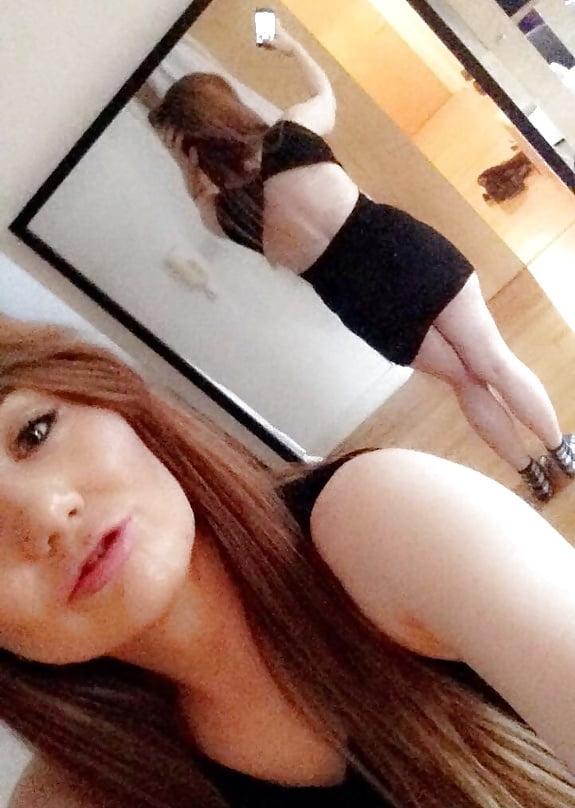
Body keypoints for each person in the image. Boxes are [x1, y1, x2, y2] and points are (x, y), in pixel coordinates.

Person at [4, 316, 575, 808]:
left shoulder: (383, 521)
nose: (49, 515)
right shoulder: (75, 795)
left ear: (112, 400)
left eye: (34, 433)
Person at [147, 18, 574, 503]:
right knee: (494, 361)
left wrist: (187, 168)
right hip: (406, 252)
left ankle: (531, 474)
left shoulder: (223, 215)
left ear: (190, 149)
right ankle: (562, 450)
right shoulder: (291, 136)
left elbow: (200, 198)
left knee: (465, 382)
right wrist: (291, 47)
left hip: (360, 300)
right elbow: (325, 93)